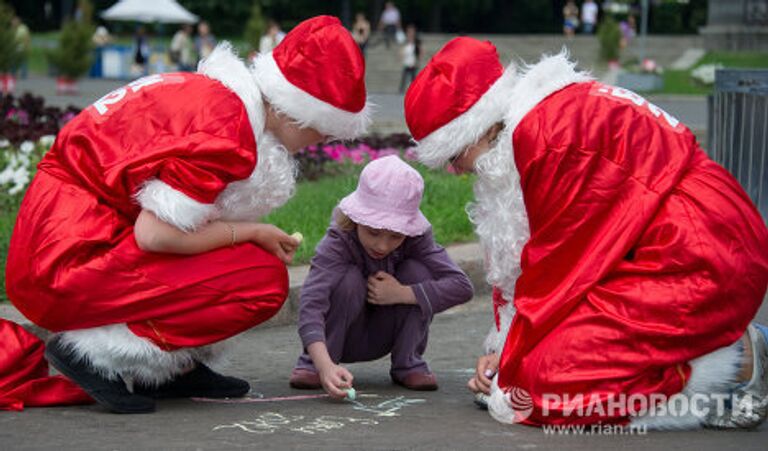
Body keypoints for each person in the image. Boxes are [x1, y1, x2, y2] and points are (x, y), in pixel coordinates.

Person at [2, 15, 370, 414]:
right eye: (324, 130)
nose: (324, 141)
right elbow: (156, 235)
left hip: (55, 238)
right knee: (260, 280)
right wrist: (250, 231)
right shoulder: (228, 130)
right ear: (296, 110)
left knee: (234, 262)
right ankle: (96, 356)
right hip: (63, 258)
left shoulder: (218, 98)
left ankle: (176, 366)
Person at [404, 37, 768, 428]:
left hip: (698, 253)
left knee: (540, 384)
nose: (456, 171)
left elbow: (558, 274)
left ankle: (733, 367)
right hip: (684, 244)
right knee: (532, 372)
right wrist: (508, 353)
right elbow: (542, 265)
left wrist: (512, 366)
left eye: (455, 156)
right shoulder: (537, 122)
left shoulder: (547, 138)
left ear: (478, 128)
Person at [289, 155, 474, 397]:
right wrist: (324, 365)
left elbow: (462, 286)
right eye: (373, 232)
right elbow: (311, 304)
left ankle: (408, 362)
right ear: (356, 219)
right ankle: (314, 364)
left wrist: (402, 293)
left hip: (385, 332)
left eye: (395, 236)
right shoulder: (338, 240)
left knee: (417, 272)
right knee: (348, 279)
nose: (383, 245)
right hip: (338, 338)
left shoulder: (416, 237)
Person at [398, 24, 420, 94]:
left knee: (413, 78)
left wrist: (417, 60)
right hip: (407, 62)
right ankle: (401, 89)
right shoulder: (405, 41)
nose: (410, 33)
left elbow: (419, 52)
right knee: (404, 77)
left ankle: (414, 90)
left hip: (413, 62)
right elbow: (401, 51)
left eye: (412, 31)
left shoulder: (416, 42)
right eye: (409, 32)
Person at [12, 15, 30, 79]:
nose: (14, 22)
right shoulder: (11, 29)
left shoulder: (23, 28)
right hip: (13, 48)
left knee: (23, 62)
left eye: (15, 21)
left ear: (19, 21)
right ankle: (13, 74)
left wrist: (27, 46)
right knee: (13, 61)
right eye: (13, 21)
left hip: (22, 47)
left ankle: (23, 75)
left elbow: (27, 37)